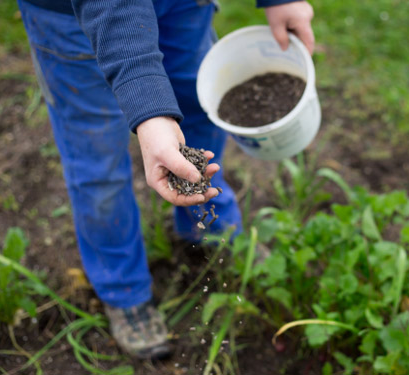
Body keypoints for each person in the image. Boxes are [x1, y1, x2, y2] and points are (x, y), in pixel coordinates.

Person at [16, 0, 315, 360]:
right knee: (97, 161)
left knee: (200, 110)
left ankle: (207, 226)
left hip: (182, 5)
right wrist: (149, 107)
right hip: (77, 16)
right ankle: (123, 289)